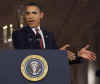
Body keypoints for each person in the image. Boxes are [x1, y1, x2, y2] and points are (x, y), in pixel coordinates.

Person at [12, 2, 96, 62]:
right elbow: (27, 56)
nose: (30, 16)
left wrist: (78, 55)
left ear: (41, 15)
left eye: (34, 13)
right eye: (27, 13)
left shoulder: (48, 35)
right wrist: (57, 54)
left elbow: (58, 60)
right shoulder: (18, 34)